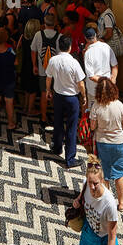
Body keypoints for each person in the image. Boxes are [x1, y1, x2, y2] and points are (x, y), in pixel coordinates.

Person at [90, 76, 123, 210]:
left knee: (105, 173)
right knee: (119, 173)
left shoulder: (96, 106)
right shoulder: (119, 104)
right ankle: (122, 201)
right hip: (118, 143)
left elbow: (92, 127)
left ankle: (106, 202)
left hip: (102, 143)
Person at [46, 34, 86, 169]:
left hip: (58, 96)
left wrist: (48, 90)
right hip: (71, 98)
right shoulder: (74, 62)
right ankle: (70, 158)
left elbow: (48, 78)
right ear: (69, 48)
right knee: (71, 127)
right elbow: (81, 83)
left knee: (57, 123)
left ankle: (57, 147)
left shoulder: (53, 60)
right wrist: (84, 96)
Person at [32, 12, 59, 127]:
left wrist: (34, 65)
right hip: (55, 72)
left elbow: (33, 50)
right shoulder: (60, 37)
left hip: (43, 70)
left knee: (44, 93)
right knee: (55, 93)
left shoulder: (38, 34)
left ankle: (43, 117)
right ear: (55, 23)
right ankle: (55, 115)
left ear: (44, 22)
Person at [82, 25, 118, 108]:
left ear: (86, 38)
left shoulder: (88, 53)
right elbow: (115, 65)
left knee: (94, 111)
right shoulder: (106, 46)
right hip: (108, 85)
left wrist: (105, 82)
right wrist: (112, 79)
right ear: (95, 36)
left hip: (94, 88)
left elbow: (91, 76)